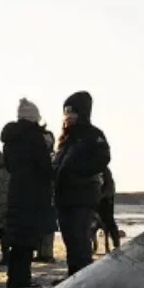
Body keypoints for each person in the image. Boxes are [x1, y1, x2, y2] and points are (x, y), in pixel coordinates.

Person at [53, 91, 111, 276]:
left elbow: (102, 159)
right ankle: (73, 275)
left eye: (72, 112)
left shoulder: (93, 135)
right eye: (66, 112)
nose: (68, 116)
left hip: (83, 193)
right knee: (69, 238)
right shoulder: (65, 139)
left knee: (80, 237)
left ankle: (84, 276)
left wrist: (78, 173)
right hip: (64, 195)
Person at [0, 98, 53, 288]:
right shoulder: (35, 137)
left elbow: (9, 165)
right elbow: (45, 167)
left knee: (17, 237)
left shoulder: (10, 139)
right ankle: (21, 280)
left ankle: (15, 278)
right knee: (28, 237)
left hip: (16, 189)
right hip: (33, 191)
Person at [36, 127, 58, 263]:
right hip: (39, 194)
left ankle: (47, 253)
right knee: (39, 224)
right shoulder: (38, 156)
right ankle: (40, 252)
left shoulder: (54, 156)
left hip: (51, 195)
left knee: (49, 226)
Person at [97, 166, 121, 253]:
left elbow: (109, 187)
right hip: (100, 199)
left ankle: (116, 244)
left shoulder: (104, 170)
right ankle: (114, 244)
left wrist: (103, 196)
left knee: (109, 222)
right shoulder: (102, 169)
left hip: (105, 201)